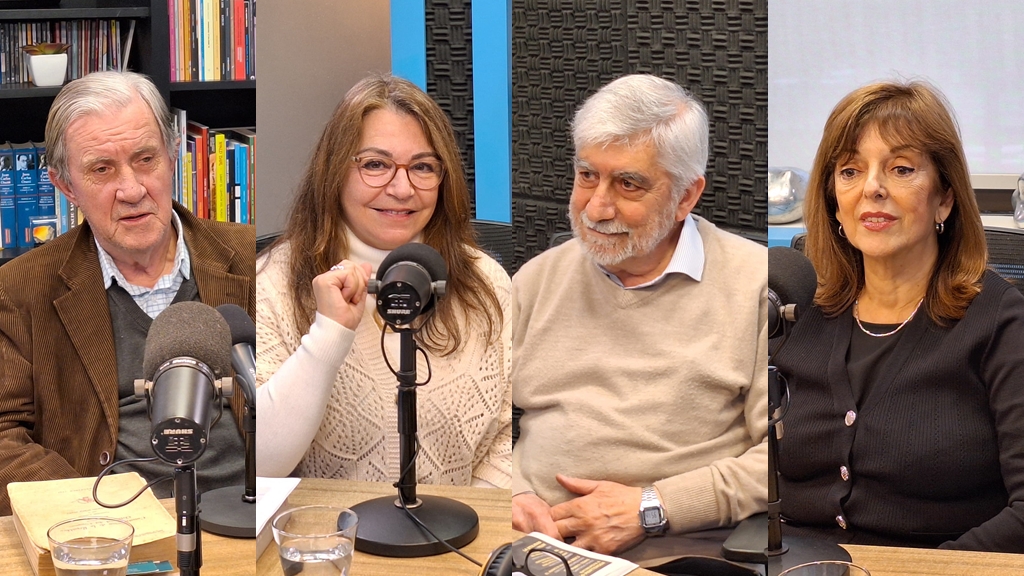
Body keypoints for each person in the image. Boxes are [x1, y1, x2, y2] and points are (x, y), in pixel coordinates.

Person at [510, 74, 768, 561]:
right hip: (530, 549)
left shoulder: (758, 286)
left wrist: (656, 507)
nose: (596, 207)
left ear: (686, 197)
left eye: (628, 184)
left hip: (677, 556)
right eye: (587, 176)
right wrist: (513, 493)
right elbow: (481, 431)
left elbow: (787, 458)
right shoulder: (535, 280)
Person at [773, 80, 1024, 553]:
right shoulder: (796, 306)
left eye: (901, 169)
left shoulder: (999, 321)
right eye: (850, 171)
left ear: (945, 198)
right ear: (834, 202)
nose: (872, 188)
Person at [0, 71, 254, 515]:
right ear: (65, 186)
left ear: (172, 157)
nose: (133, 190)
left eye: (145, 159)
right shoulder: (20, 289)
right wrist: (90, 512)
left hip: (249, 512)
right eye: (102, 169)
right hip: (112, 524)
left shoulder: (253, 259)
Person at [255, 74, 512, 488]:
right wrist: (328, 334)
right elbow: (263, 464)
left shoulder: (487, 282)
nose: (402, 188)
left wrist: (478, 516)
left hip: (463, 527)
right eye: (375, 165)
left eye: (423, 167)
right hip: (328, 527)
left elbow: (509, 437)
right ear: (334, 171)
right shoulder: (271, 285)